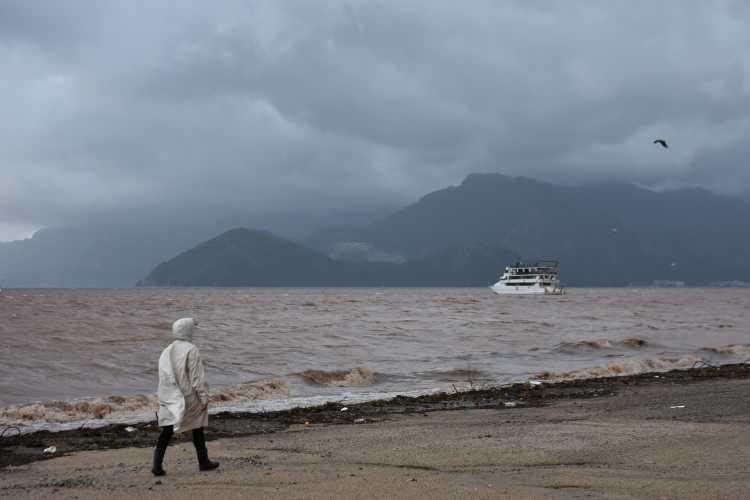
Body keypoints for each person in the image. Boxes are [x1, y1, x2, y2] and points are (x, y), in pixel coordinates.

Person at [152, 317, 219, 476]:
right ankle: (203, 462)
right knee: (197, 428)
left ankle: (157, 465)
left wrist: (164, 397)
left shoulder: (167, 349)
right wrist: (204, 398)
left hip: (170, 396)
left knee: (167, 430)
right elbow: (197, 379)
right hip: (189, 396)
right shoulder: (191, 349)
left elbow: (163, 376)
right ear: (188, 330)